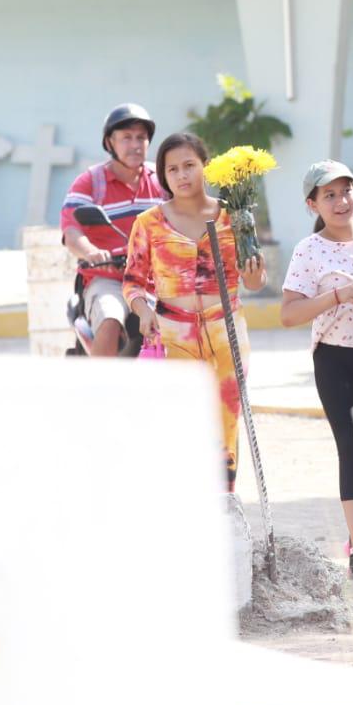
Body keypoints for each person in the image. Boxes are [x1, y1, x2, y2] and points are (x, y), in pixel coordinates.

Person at [124, 132, 268, 488]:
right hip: (175, 333)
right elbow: (133, 282)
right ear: (162, 175)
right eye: (172, 169)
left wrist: (255, 276)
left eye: (189, 165)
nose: (182, 175)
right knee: (182, 421)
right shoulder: (148, 223)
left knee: (227, 419)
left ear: (205, 165)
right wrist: (143, 311)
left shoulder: (234, 215)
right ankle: (187, 500)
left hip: (226, 330)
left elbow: (254, 281)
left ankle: (226, 502)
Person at [280, 160, 353, 581]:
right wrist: (335, 296)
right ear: (312, 204)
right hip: (334, 357)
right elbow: (289, 314)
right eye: (328, 195)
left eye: (346, 191)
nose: (340, 201)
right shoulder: (308, 250)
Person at [60, 103, 167, 356]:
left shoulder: (162, 179)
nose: (135, 144)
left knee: (183, 320)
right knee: (110, 319)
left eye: (141, 137)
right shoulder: (90, 181)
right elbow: (71, 231)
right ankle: (102, 381)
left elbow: (184, 217)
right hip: (109, 279)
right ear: (110, 142)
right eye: (126, 137)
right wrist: (91, 252)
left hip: (158, 279)